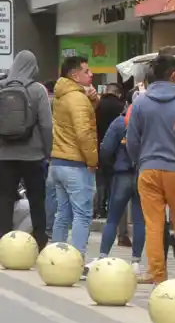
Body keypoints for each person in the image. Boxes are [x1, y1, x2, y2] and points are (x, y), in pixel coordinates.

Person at [126, 53, 175, 285]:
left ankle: (157, 275)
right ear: (174, 75)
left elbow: (132, 140)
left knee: (153, 224)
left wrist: (140, 161)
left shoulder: (141, 102)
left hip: (148, 169)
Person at [0, 50, 53, 249]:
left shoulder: (1, 86)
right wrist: (47, 151)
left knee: (4, 199)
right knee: (37, 200)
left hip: (4, 155)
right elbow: (46, 125)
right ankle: (39, 241)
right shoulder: (37, 90)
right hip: (33, 156)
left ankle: (3, 242)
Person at [49, 55, 98, 261]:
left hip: (58, 161)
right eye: (86, 71)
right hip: (76, 164)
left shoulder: (61, 94)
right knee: (82, 214)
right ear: (75, 75)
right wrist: (93, 160)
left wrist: (93, 99)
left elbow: (77, 120)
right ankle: (77, 260)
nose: (91, 74)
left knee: (63, 213)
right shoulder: (77, 98)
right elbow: (83, 132)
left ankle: (56, 259)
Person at [95, 88, 144, 270]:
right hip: (142, 173)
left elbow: (106, 149)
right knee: (139, 220)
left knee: (113, 218)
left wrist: (112, 165)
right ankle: (136, 261)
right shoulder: (149, 120)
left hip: (122, 173)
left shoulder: (119, 122)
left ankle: (103, 256)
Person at [94, 83, 125, 220]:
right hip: (117, 149)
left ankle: (99, 208)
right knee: (114, 181)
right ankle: (112, 207)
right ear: (118, 93)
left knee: (100, 180)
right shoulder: (120, 106)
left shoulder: (97, 105)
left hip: (98, 146)